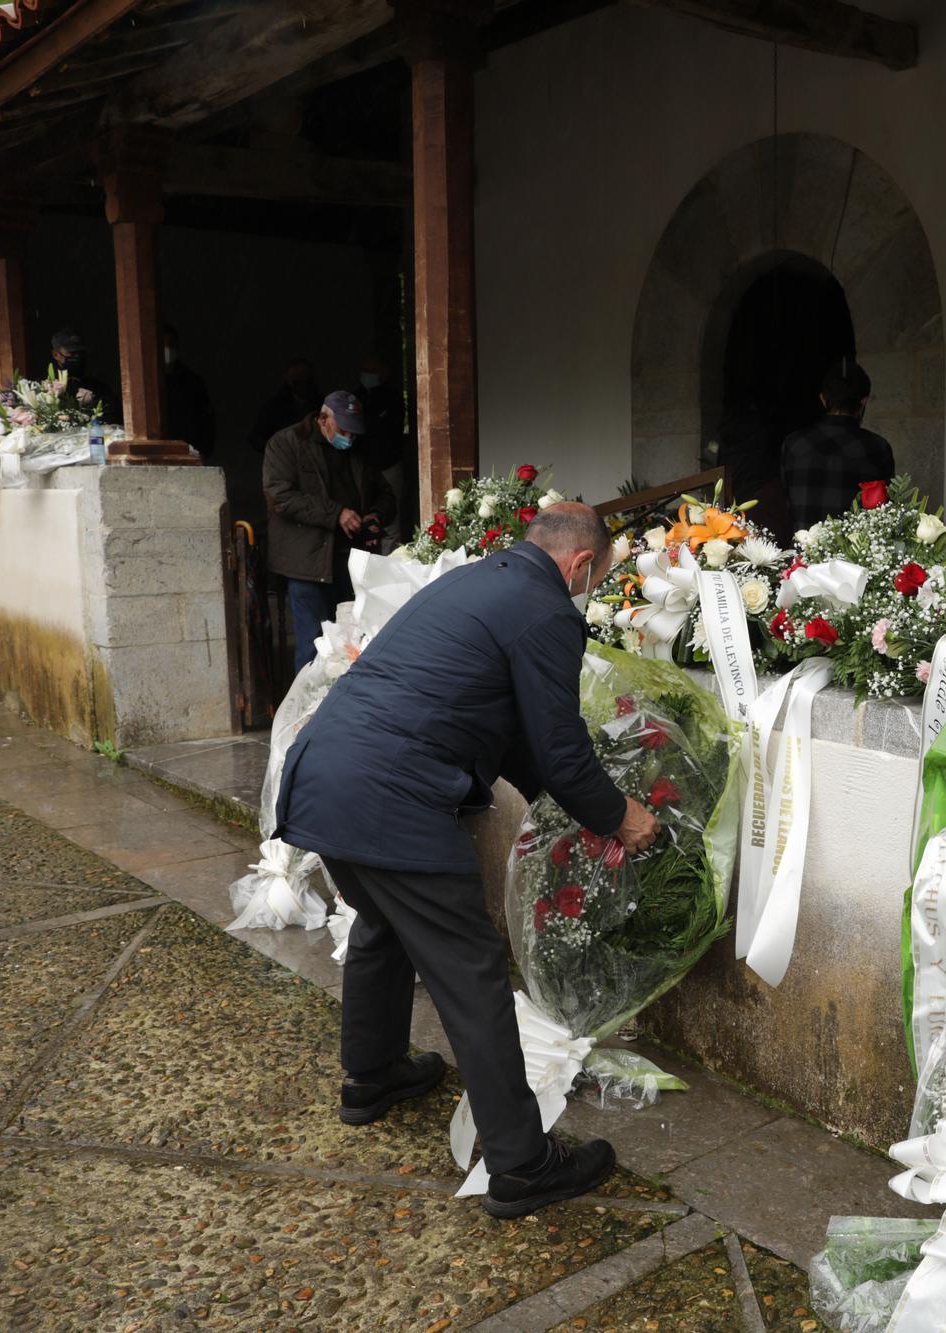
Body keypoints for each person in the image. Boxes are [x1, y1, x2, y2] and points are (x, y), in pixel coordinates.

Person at [274, 503, 659, 1218]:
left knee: (382, 924)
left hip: (322, 778)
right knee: (471, 970)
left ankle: (373, 1073)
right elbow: (560, 744)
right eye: (596, 577)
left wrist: (562, 810)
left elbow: (514, 735)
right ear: (579, 564)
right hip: (391, 794)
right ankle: (521, 1163)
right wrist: (621, 816)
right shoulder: (545, 609)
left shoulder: (477, 582)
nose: (589, 588)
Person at [263, 389, 397, 673]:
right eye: (344, 431)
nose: (348, 438)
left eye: (354, 433)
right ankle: (308, 715)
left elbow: (385, 494)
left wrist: (375, 516)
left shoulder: (358, 450)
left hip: (351, 561)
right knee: (314, 647)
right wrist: (336, 514)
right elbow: (281, 497)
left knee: (354, 644)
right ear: (323, 419)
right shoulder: (286, 443)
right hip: (307, 564)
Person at [780, 360, 896, 532]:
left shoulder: (793, 444)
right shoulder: (877, 447)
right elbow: (885, 513)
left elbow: (787, 505)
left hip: (804, 555)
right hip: (857, 557)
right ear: (863, 401)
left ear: (822, 398)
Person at [356, 354, 414, 538]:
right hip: (361, 467)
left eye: (372, 371)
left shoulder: (393, 397)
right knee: (359, 517)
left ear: (383, 373)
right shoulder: (356, 398)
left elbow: (391, 430)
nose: (368, 375)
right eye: (365, 371)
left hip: (388, 465)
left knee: (390, 517)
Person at [160, 325, 216, 460]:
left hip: (189, 453)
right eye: (164, 344)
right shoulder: (149, 383)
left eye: (171, 344)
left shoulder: (192, 382)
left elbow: (207, 420)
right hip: (157, 453)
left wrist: (203, 451)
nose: (168, 349)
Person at [251, 357, 321, 452]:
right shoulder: (273, 408)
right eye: (296, 380)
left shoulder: (323, 405)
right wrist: (279, 450)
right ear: (288, 380)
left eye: (305, 378)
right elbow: (256, 439)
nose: (302, 383)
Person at [48, 328, 118, 423]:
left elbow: (110, 419)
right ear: (55, 354)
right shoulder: (46, 387)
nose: (77, 357)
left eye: (80, 353)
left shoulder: (99, 388)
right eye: (71, 353)